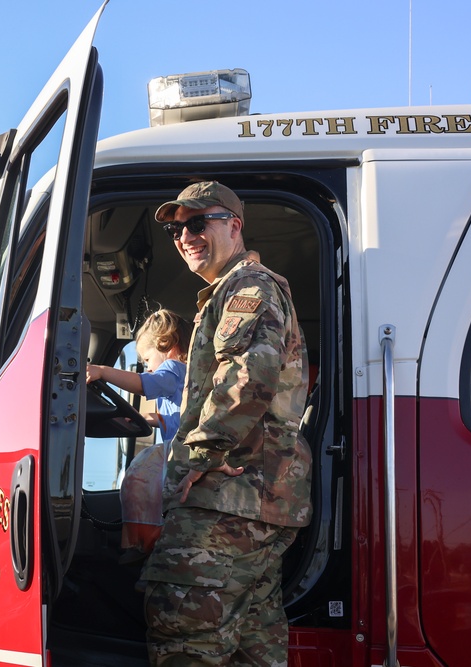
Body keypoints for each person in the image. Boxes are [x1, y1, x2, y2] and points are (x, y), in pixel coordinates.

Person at [139, 181, 312, 666]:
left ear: (234, 225)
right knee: (254, 647)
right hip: (258, 499)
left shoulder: (248, 287)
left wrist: (198, 457)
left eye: (198, 223)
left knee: (183, 627)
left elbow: (246, 378)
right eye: (177, 230)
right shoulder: (230, 292)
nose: (185, 237)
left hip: (231, 495)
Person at [86, 309, 191, 558]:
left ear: (167, 345)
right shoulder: (178, 377)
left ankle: (144, 541)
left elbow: (146, 385)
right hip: (178, 448)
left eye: (146, 360)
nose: (147, 368)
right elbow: (173, 418)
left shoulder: (174, 368)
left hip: (180, 455)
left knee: (140, 476)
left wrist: (102, 371)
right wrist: (144, 418)